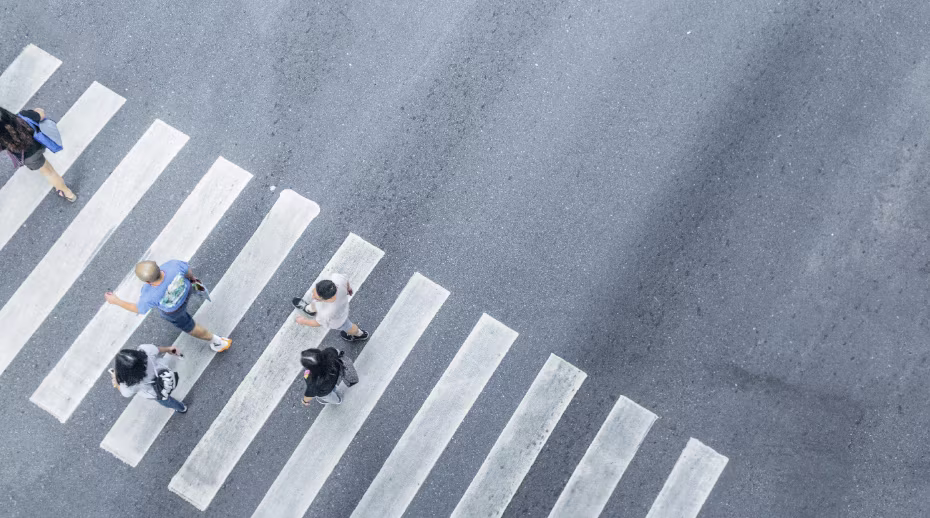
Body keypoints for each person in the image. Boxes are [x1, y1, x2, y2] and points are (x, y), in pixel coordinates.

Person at [104, 259, 232, 352]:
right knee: (191, 292)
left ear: (148, 281)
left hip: (174, 311)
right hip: (186, 290)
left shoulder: (148, 295)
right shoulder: (173, 266)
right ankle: (218, 342)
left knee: (190, 326)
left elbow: (138, 309)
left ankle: (218, 341)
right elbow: (188, 271)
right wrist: (192, 279)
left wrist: (116, 301)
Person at [0, 106, 76, 202]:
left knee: (49, 172)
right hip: (39, 142)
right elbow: (41, 114)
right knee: (51, 170)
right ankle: (66, 191)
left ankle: (68, 193)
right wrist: (37, 110)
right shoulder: (24, 116)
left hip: (29, 157)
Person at [109, 344, 187, 413]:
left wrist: (116, 382)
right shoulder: (145, 351)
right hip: (166, 377)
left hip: (155, 393)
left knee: (166, 401)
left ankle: (181, 408)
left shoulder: (129, 385)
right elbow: (158, 349)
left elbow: (125, 393)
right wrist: (170, 349)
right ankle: (181, 407)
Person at [292, 274, 369, 342]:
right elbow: (345, 281)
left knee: (349, 327)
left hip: (339, 318)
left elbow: (317, 323)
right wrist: (349, 289)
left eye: (316, 297)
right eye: (314, 292)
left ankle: (359, 334)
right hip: (336, 305)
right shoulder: (337, 278)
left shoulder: (326, 313)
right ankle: (308, 309)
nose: (312, 296)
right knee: (315, 304)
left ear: (327, 299)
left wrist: (303, 321)